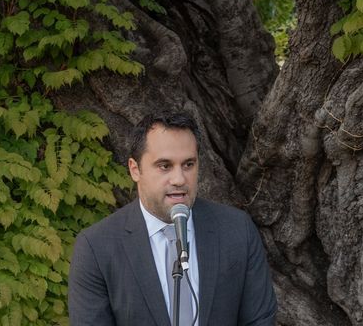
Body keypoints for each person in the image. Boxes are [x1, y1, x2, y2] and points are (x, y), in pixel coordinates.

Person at [68, 111, 277, 325]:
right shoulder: (97, 247)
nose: (179, 179)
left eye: (188, 164)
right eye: (164, 166)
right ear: (135, 169)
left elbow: (260, 319)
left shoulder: (237, 230)